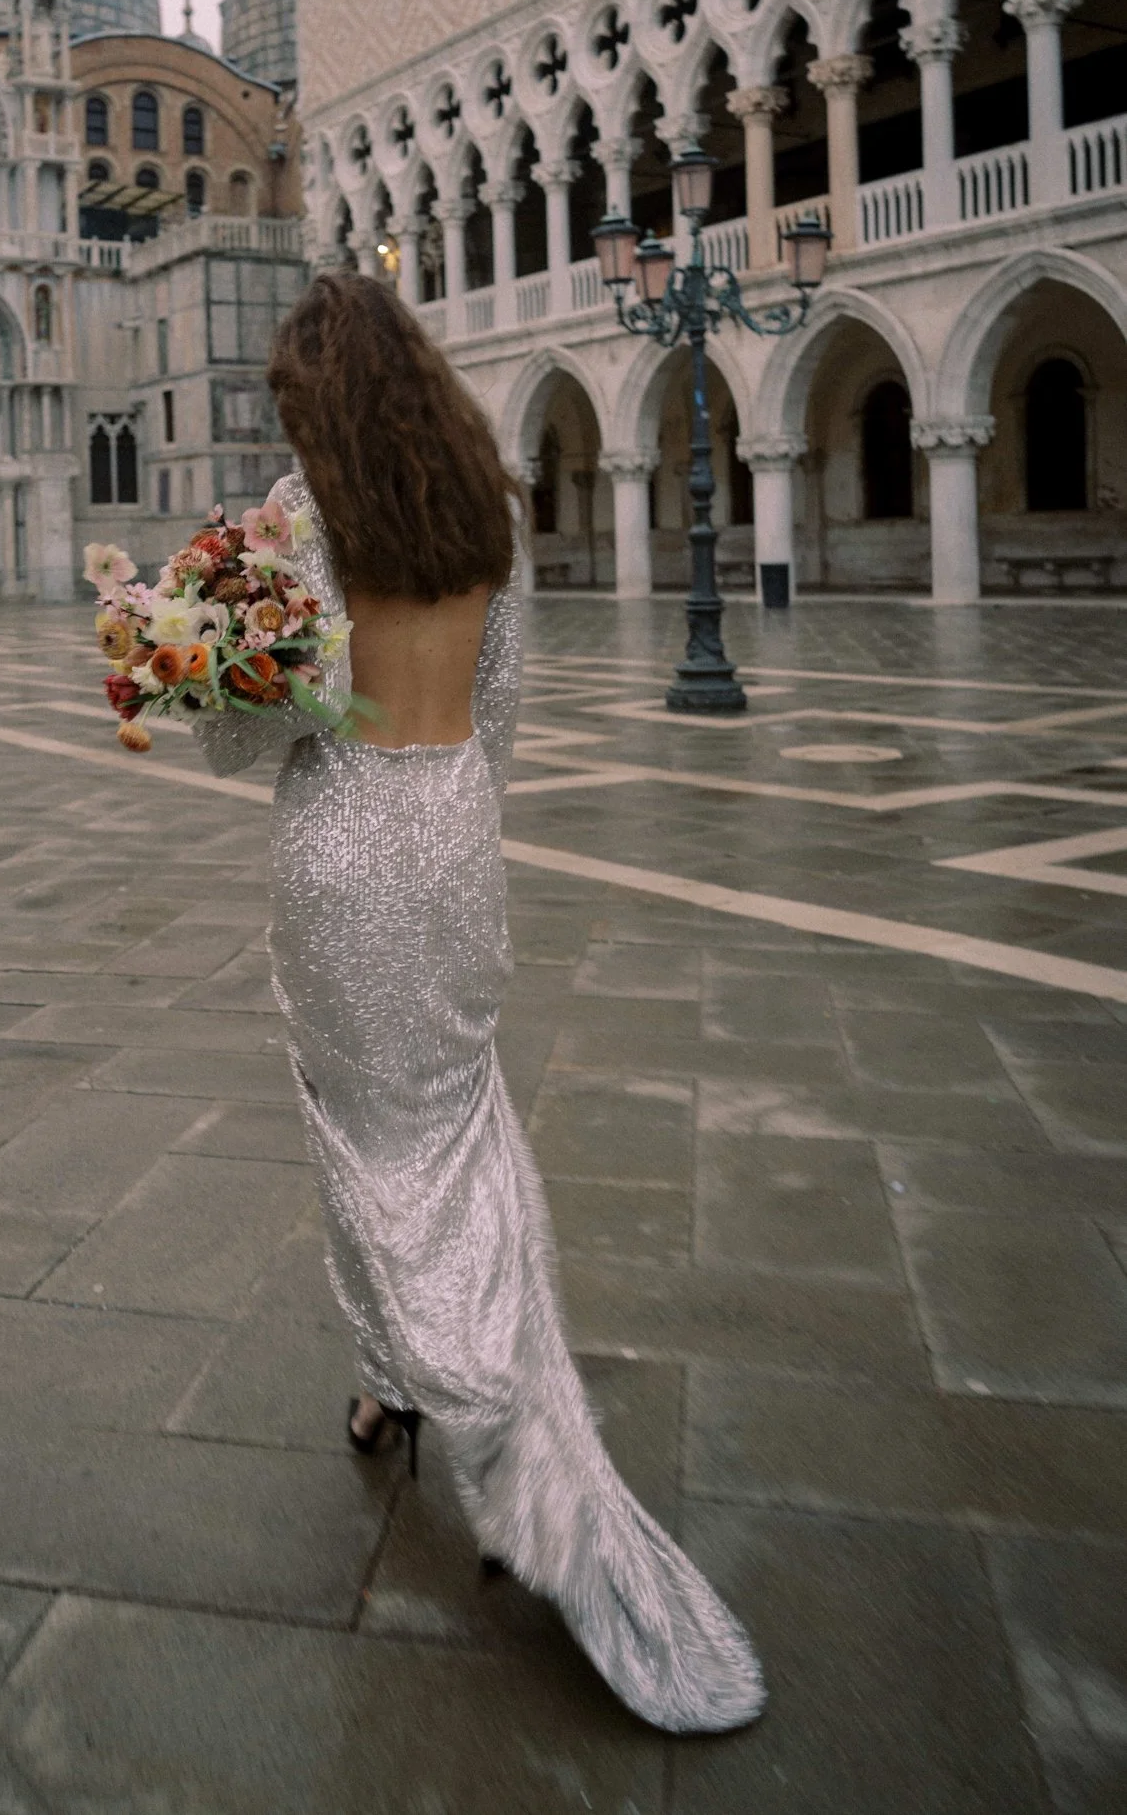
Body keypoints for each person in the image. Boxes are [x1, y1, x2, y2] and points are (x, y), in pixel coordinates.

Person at [191, 270, 764, 1736]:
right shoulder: (477, 508)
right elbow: (499, 707)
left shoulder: (302, 519)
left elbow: (251, 735)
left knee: (364, 1143)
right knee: (445, 1128)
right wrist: (451, 816)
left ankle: (460, 1389)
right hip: (455, 840)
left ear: (312, 398)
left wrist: (196, 682)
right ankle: (393, 1376)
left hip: (344, 852)